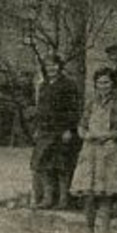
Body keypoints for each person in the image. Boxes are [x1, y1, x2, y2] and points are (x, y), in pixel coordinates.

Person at [70, 67, 117, 233]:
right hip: (90, 151)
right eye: (100, 83)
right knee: (88, 195)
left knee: (105, 196)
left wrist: (109, 135)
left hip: (109, 151)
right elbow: (82, 124)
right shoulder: (91, 101)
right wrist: (84, 134)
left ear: (113, 83)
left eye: (106, 82)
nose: (103, 86)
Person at [30, 59, 81, 209]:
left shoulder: (68, 85)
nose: (51, 68)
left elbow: (74, 108)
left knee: (61, 166)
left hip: (61, 130)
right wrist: (37, 128)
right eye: (48, 66)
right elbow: (40, 108)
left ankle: (63, 199)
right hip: (45, 130)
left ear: (60, 66)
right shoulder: (44, 85)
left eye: (54, 65)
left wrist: (69, 129)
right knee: (43, 164)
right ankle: (47, 198)